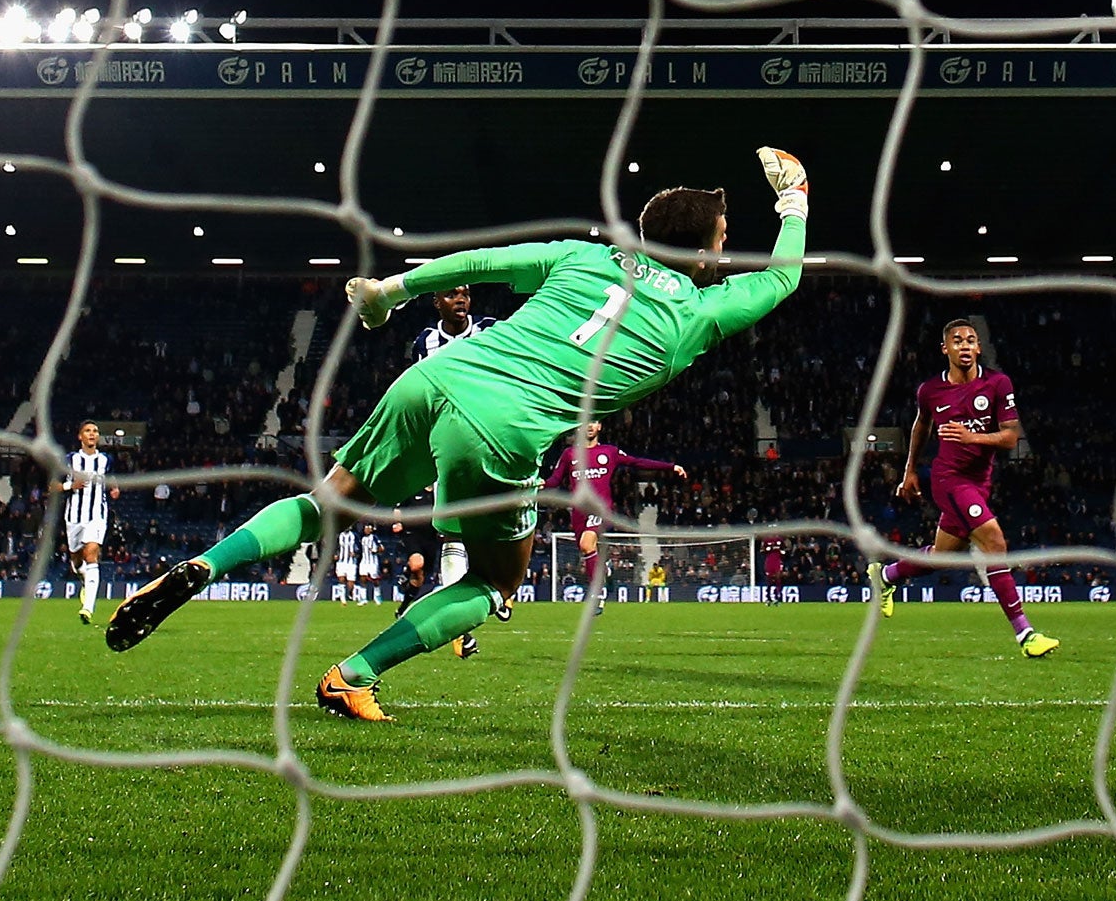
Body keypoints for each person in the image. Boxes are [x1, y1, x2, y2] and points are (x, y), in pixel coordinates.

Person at [107, 147, 811, 719]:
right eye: (723, 237)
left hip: (439, 375)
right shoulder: (700, 312)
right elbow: (781, 280)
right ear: (707, 249)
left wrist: (389, 292)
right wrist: (795, 200)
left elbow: (484, 263)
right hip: (503, 430)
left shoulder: (584, 255)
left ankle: (204, 564)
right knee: (494, 583)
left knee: (329, 500)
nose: (726, 246)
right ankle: (352, 675)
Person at [868, 318, 1057, 657]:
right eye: (957, 341)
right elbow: (921, 426)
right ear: (945, 349)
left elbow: (1011, 435)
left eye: (971, 340)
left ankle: (886, 575)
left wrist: (974, 437)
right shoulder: (930, 391)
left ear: (979, 347)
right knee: (995, 542)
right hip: (948, 480)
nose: (965, 346)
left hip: (980, 482)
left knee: (941, 557)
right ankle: (1025, 635)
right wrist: (909, 470)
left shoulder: (998, 384)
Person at [412, 285, 496, 656]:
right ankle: (461, 625)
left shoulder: (491, 329)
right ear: (437, 303)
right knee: (453, 536)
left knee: (493, 532)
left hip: (493, 441)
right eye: (451, 294)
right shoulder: (425, 342)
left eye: (464, 293)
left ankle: (495, 593)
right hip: (447, 447)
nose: (460, 300)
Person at [547, 419, 685, 615]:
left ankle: (597, 595)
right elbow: (554, 480)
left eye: (594, 422)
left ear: (600, 426)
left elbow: (637, 462)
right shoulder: (569, 454)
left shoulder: (609, 452)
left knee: (587, 545)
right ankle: (606, 569)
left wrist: (670, 466)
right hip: (579, 512)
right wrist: (537, 484)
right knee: (587, 550)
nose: (589, 426)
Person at [61, 421, 112, 624]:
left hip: (97, 515)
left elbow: (110, 478)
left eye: (95, 431)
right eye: (88, 431)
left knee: (91, 553)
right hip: (74, 517)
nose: (92, 434)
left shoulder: (106, 460)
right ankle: (82, 576)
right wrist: (70, 485)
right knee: (76, 559)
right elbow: (51, 485)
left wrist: (114, 488)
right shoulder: (69, 460)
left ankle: (88, 607)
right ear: (80, 436)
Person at [357, 523, 382, 603]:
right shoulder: (362, 538)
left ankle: (377, 596)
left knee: (375, 580)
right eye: (365, 529)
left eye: (368, 529)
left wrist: (375, 551)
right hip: (364, 561)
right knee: (362, 578)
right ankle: (363, 598)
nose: (366, 530)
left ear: (371, 530)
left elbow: (382, 548)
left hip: (373, 562)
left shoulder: (374, 537)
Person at [334, 525, 359, 602]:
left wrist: (355, 553)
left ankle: (350, 593)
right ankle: (342, 597)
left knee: (350, 581)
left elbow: (359, 547)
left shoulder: (354, 536)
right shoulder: (339, 536)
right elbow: (335, 546)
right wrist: (335, 554)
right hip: (341, 562)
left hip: (351, 562)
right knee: (341, 579)